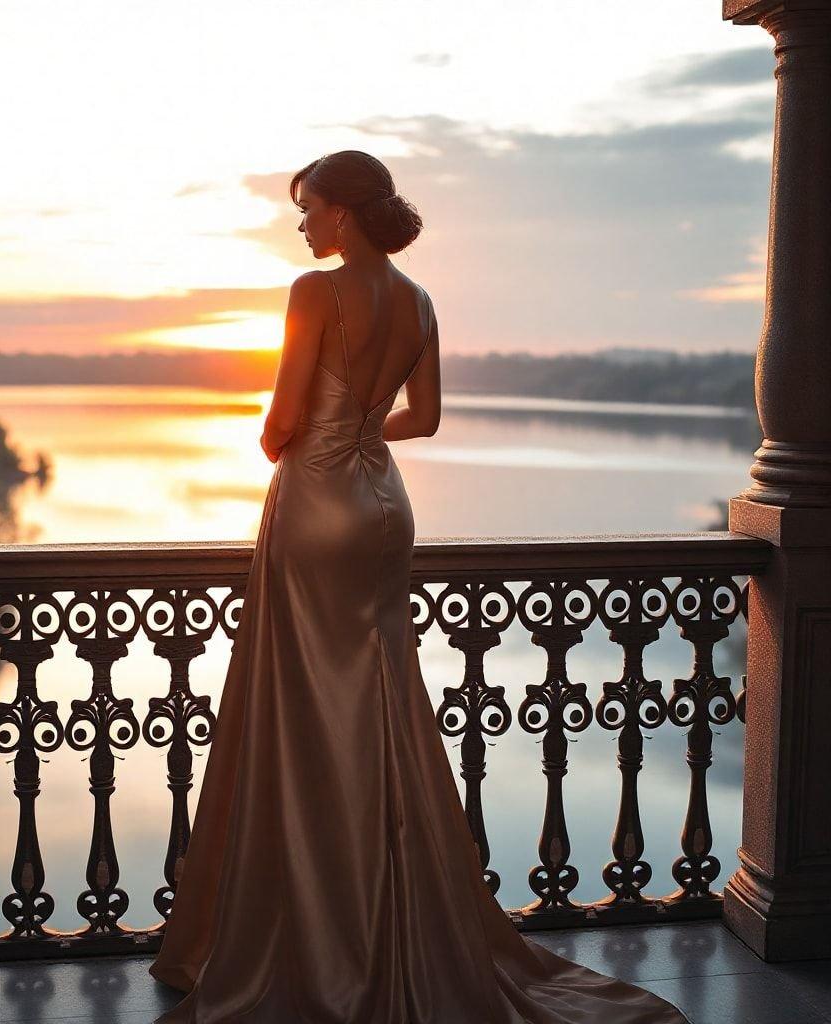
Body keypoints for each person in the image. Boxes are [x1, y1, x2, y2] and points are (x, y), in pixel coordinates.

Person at [148, 150, 689, 1023]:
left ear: (346, 216)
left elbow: (278, 425)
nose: (302, 224)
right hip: (383, 504)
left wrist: (320, 432)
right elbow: (425, 417)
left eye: (310, 208)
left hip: (317, 502)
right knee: (379, 699)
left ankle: (317, 934)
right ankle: (387, 913)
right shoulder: (421, 300)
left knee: (306, 708)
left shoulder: (311, 294)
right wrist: (362, 426)